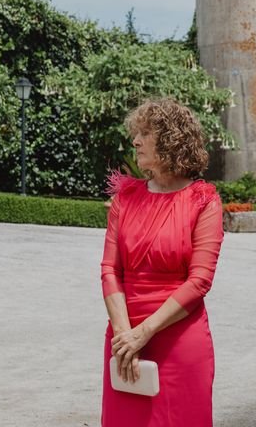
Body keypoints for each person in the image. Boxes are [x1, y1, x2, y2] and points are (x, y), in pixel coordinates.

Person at [100, 98, 224, 427]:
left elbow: (199, 282)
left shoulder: (204, 201)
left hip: (179, 342)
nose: (135, 141)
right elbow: (109, 270)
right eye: (135, 134)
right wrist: (125, 335)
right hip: (124, 340)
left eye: (144, 133)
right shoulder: (124, 198)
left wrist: (145, 332)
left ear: (170, 139)